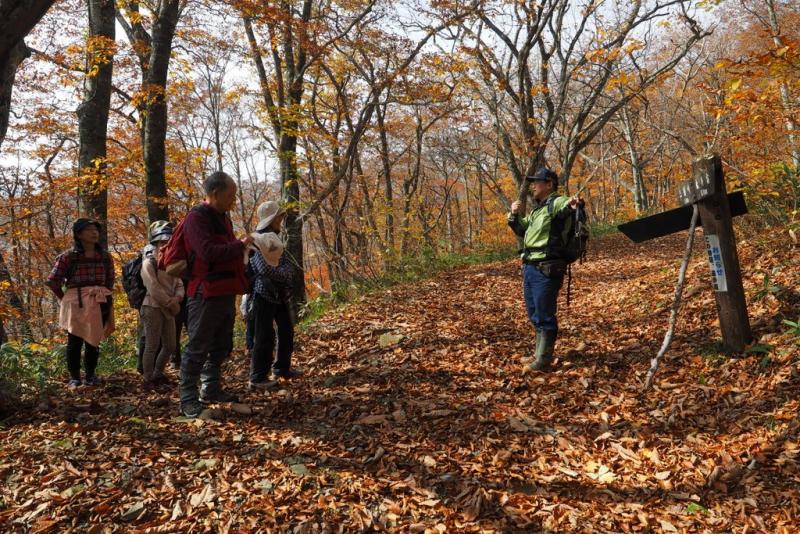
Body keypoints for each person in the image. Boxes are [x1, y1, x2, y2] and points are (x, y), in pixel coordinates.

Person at [179, 171, 252, 417]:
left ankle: (210, 388)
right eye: (230, 195)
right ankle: (188, 398)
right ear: (214, 193)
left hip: (225, 290)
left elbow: (226, 251)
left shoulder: (224, 217)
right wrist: (240, 245)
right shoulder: (196, 218)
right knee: (198, 345)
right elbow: (208, 252)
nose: (234, 199)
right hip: (205, 293)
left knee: (222, 344)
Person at [508, 168, 581, 372]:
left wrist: (574, 204)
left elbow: (568, 205)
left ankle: (543, 361)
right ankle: (539, 354)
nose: (533, 186)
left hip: (547, 269)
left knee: (544, 314)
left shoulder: (556, 202)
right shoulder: (537, 210)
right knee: (534, 313)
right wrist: (513, 215)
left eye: (537, 182)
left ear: (549, 184)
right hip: (530, 267)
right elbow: (523, 230)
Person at [46, 218, 115, 388]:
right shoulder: (68, 257)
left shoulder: (105, 256)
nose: (94, 233)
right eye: (89, 229)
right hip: (75, 301)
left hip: (98, 299)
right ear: (79, 234)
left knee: (94, 339)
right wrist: (65, 299)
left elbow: (110, 280)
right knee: (74, 340)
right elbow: (53, 281)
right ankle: (75, 377)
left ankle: (91, 375)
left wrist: (105, 297)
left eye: (96, 229)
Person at [248, 200, 299, 390]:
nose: (281, 219)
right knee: (264, 335)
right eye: (279, 216)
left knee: (286, 329)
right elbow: (262, 269)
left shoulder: (276, 238)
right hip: (263, 293)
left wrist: (285, 274)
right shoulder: (256, 240)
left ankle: (282, 368)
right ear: (271, 218)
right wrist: (284, 273)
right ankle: (257, 377)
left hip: (280, 293)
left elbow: (286, 265)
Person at [139, 221, 184, 392]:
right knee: (152, 344)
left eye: (168, 242)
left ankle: (158, 373)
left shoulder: (171, 262)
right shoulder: (148, 262)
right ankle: (148, 378)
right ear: (155, 243)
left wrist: (177, 299)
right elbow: (152, 287)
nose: (165, 245)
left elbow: (179, 283)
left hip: (169, 308)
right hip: (152, 306)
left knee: (170, 345)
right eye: (161, 242)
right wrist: (169, 302)